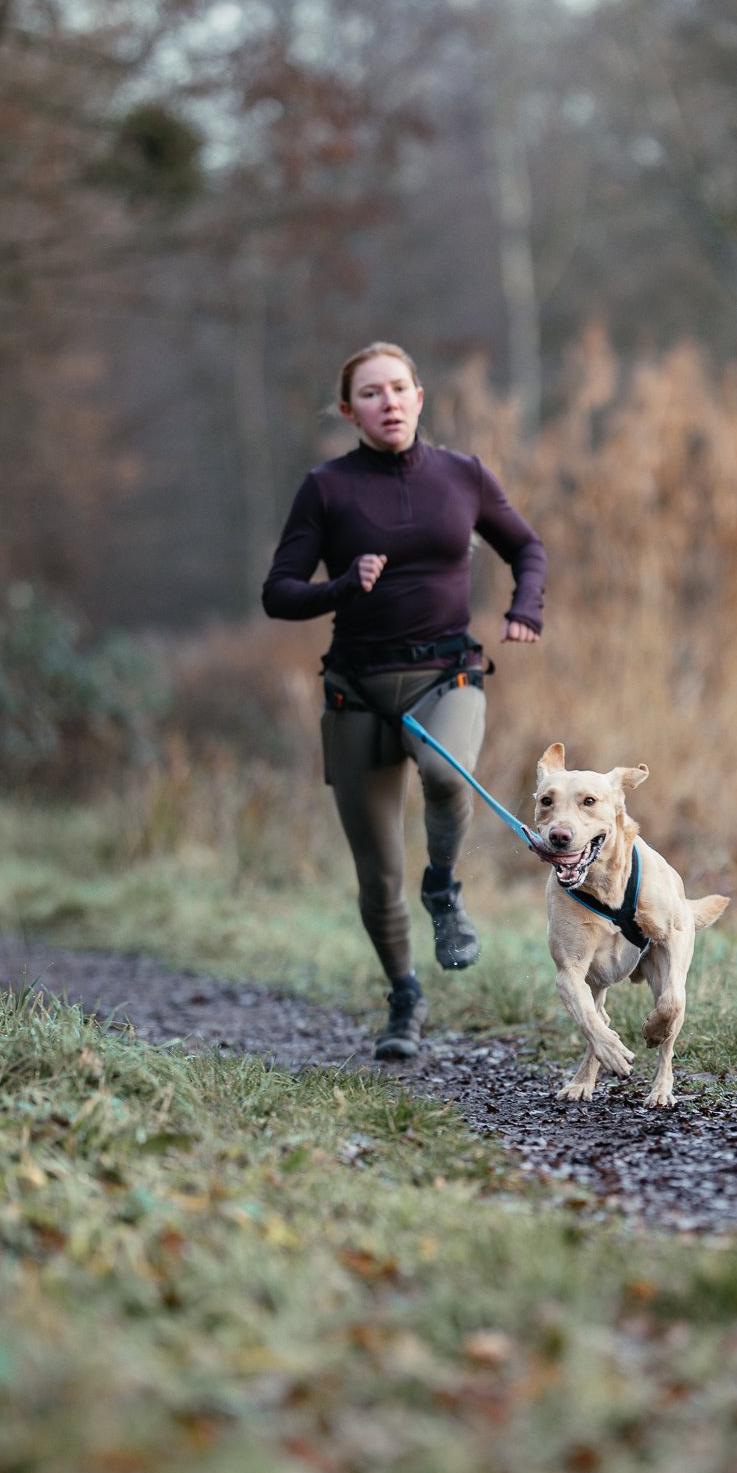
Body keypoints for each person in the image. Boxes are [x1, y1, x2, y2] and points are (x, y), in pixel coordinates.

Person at [262, 342, 546, 1059]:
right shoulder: (325, 488)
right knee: (376, 872)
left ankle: (444, 889)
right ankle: (403, 998)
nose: (386, 402)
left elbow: (526, 547)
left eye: (397, 388)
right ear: (347, 410)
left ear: (419, 395)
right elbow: (278, 592)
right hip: (354, 690)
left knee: (447, 775)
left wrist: (526, 609)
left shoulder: (463, 475)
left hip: (445, 675)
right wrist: (341, 585)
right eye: (369, 393)